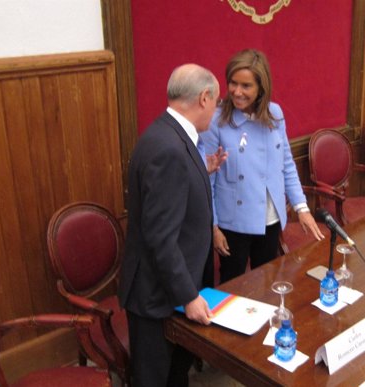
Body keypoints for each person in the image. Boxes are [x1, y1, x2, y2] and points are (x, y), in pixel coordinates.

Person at [118, 63, 222, 387]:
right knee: (154, 380)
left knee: (177, 375)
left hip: (173, 286)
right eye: (216, 103)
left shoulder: (168, 133)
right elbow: (160, 237)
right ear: (204, 98)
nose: (215, 111)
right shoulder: (168, 148)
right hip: (158, 296)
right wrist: (188, 296)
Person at [201, 49, 324, 284]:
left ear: (261, 88)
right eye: (233, 83)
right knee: (233, 285)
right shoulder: (216, 120)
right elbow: (208, 181)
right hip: (232, 222)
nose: (237, 91)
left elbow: (286, 164)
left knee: (267, 282)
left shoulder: (274, 113)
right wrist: (213, 228)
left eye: (246, 86)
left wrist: (302, 208)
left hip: (270, 218)